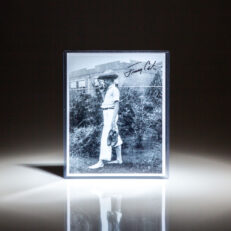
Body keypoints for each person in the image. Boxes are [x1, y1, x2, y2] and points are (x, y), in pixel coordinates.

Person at [89, 73, 123, 169]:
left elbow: (116, 106)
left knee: (105, 137)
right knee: (115, 135)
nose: (104, 81)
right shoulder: (109, 89)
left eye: (105, 80)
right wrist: (101, 92)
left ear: (110, 80)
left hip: (111, 114)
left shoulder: (115, 90)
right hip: (107, 112)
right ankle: (119, 159)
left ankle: (101, 161)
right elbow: (106, 102)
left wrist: (112, 121)